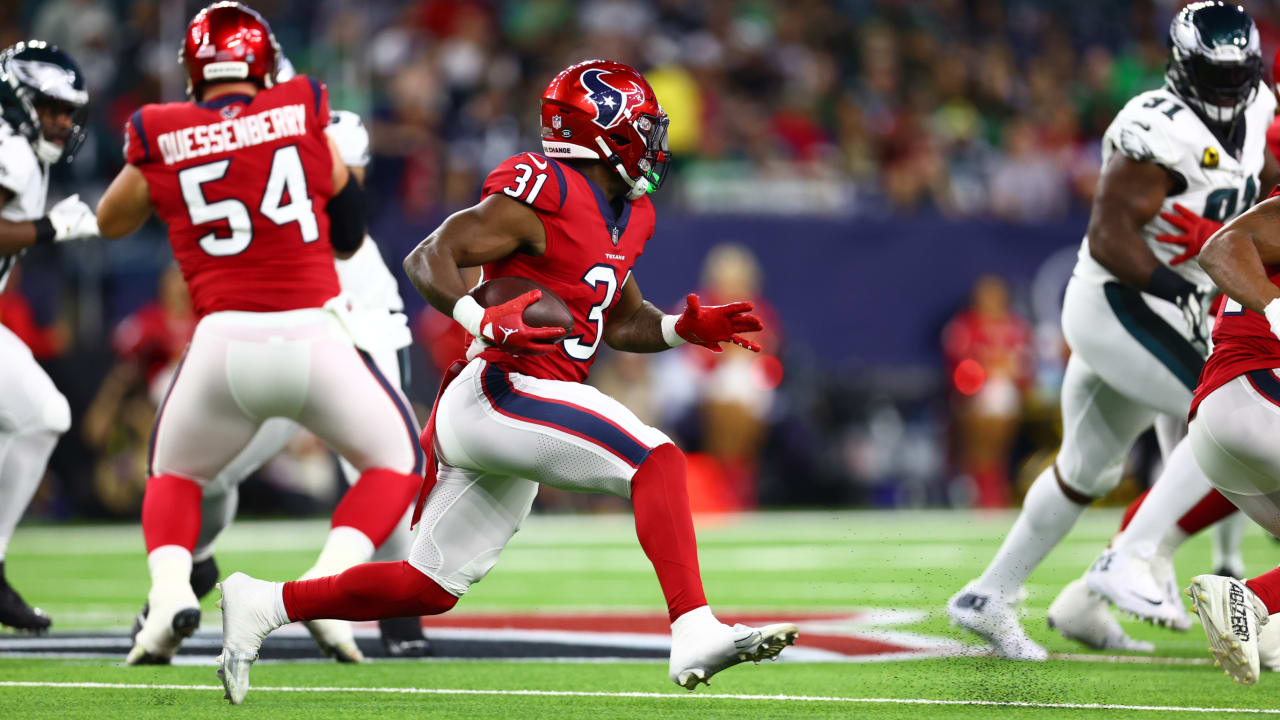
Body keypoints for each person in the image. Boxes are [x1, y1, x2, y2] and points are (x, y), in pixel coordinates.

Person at [215, 58, 796, 705]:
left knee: (426, 586)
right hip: (502, 387)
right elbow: (429, 256)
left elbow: (618, 316)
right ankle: (692, 627)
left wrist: (678, 330)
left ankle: (262, 602)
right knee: (655, 458)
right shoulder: (544, 189)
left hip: (521, 403)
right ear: (603, 131)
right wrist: (480, 318)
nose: (655, 141)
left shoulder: (630, 213)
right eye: (642, 127)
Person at [948, 1, 1280, 659]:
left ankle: (988, 596)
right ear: (1182, 69)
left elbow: (1257, 187)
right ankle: (1128, 556)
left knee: (1087, 470)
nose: (1226, 92)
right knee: (1213, 405)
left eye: (1235, 77)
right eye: (1213, 78)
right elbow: (1106, 238)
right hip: (1121, 301)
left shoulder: (1261, 107)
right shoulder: (1154, 125)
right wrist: (1184, 285)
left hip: (1163, 307)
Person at [94, 2, 422, 665]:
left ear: (191, 69)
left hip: (222, 343)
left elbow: (110, 221)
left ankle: (166, 596)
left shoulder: (160, 127)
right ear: (265, 64)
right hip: (313, 335)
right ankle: (320, 592)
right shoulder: (299, 107)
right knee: (399, 462)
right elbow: (351, 226)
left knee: (175, 476)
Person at [155, 99, 430, 661]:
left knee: (390, 476)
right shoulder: (276, 239)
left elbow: (386, 355)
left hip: (332, 379)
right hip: (280, 373)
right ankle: (185, 577)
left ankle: (396, 617)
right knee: (207, 479)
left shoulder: (361, 264)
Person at [0, 40, 96, 632]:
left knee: (43, 415)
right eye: (51, 106)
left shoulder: (21, 151)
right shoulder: (10, 147)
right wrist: (49, 227)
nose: (62, 120)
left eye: (69, 109)